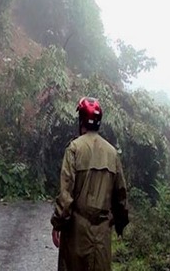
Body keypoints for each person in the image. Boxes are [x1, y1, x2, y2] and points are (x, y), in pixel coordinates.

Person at [50, 97, 129, 271]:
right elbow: (120, 195)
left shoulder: (74, 149)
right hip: (101, 236)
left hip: (76, 235)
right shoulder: (112, 153)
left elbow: (66, 196)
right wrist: (121, 223)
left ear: (81, 120)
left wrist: (57, 224)